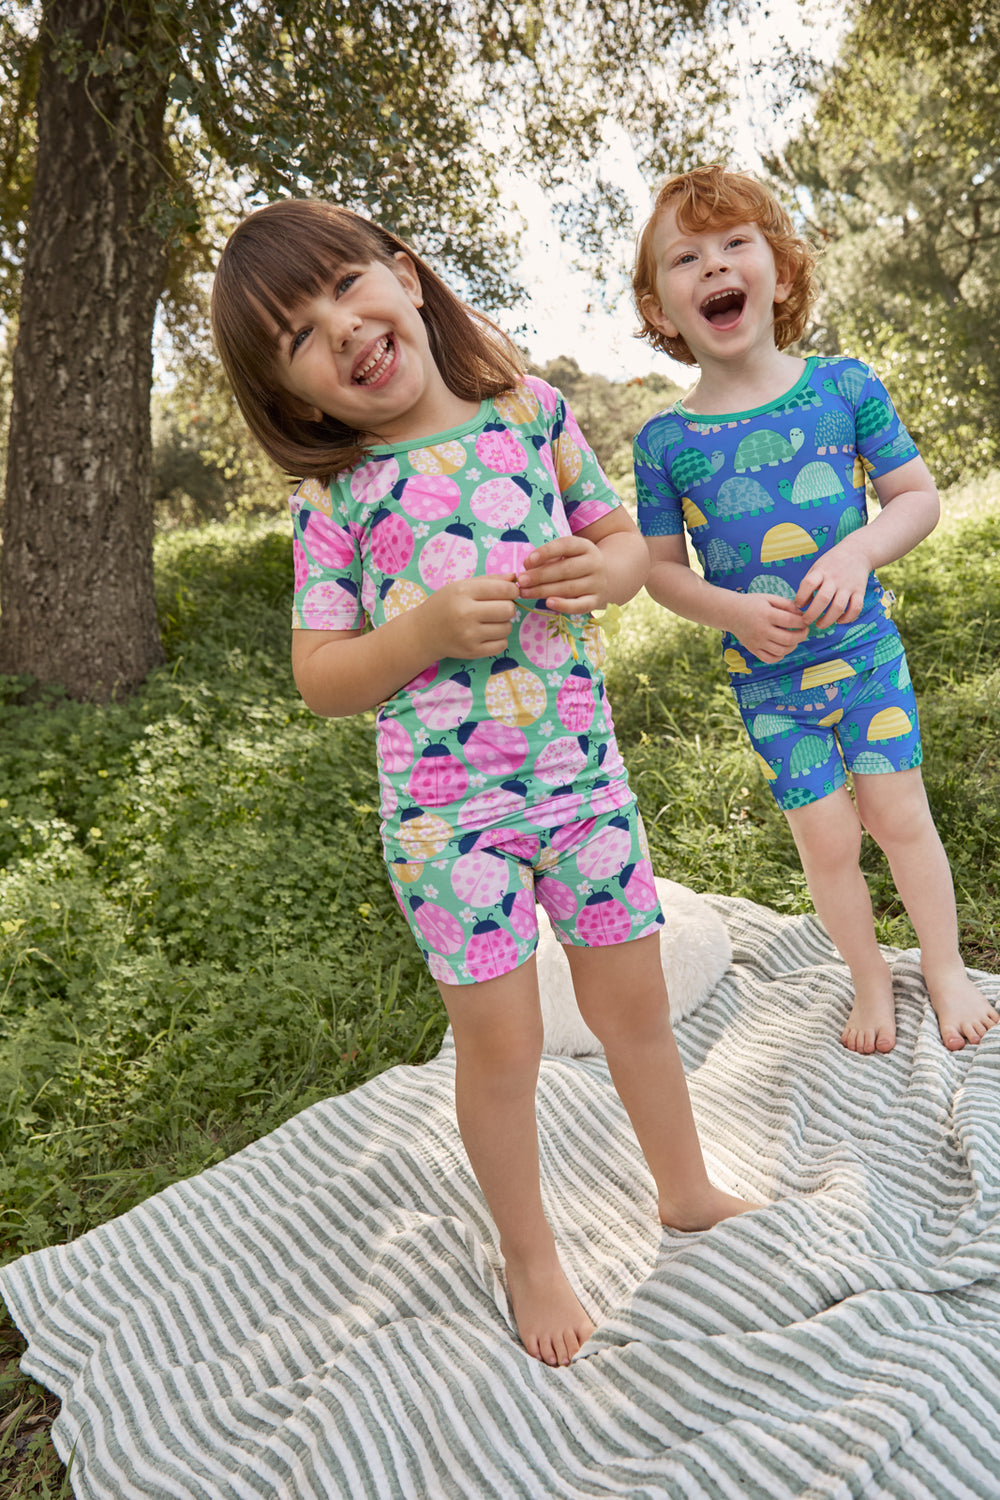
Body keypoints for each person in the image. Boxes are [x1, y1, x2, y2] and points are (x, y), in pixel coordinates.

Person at [211, 198, 754, 1368]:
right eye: (299, 336)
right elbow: (321, 676)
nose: (341, 331)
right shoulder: (336, 499)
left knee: (634, 1011)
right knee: (501, 1049)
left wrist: (598, 575)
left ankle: (685, 1186)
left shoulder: (530, 412)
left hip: (581, 786)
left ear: (405, 277)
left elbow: (623, 545)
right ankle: (529, 1252)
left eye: (347, 289)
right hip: (448, 826)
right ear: (296, 396)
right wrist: (417, 633)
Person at [632, 163, 999, 1057]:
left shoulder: (844, 388)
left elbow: (917, 497)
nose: (714, 265)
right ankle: (869, 980)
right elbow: (658, 573)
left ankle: (943, 968)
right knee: (828, 840)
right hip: (769, 683)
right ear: (659, 309)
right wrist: (730, 611)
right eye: (686, 256)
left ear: (781, 272)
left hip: (865, 658)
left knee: (899, 815)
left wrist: (857, 547)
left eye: (735, 244)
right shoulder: (666, 443)